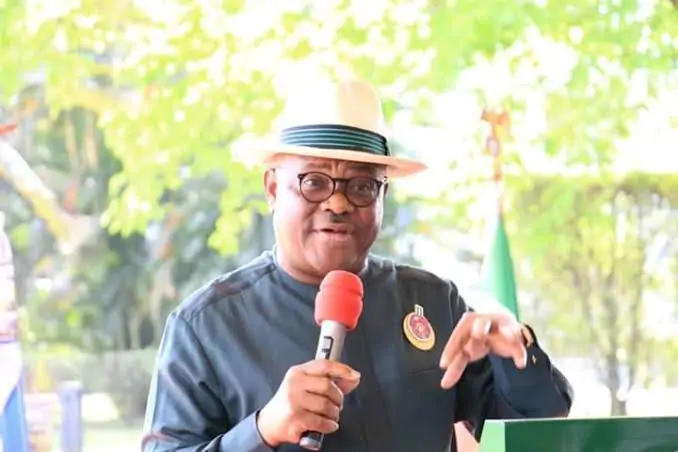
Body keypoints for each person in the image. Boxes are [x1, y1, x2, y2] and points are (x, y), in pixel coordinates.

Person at [142, 78, 573, 452]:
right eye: (314, 182)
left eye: (362, 186)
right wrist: (263, 430)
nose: (338, 203)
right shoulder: (205, 327)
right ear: (272, 188)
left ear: (382, 196)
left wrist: (516, 354)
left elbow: (537, 429)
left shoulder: (433, 301)